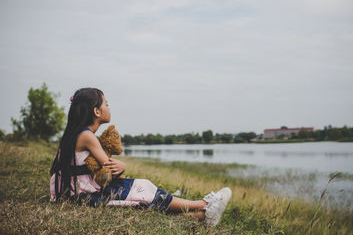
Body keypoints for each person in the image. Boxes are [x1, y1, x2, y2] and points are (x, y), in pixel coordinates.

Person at [50, 87, 231, 226]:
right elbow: (108, 167)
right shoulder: (87, 136)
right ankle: (203, 204)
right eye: (106, 104)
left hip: (76, 194)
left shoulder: (77, 134)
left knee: (142, 196)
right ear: (96, 112)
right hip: (84, 197)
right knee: (142, 187)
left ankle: (201, 216)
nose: (108, 107)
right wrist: (122, 166)